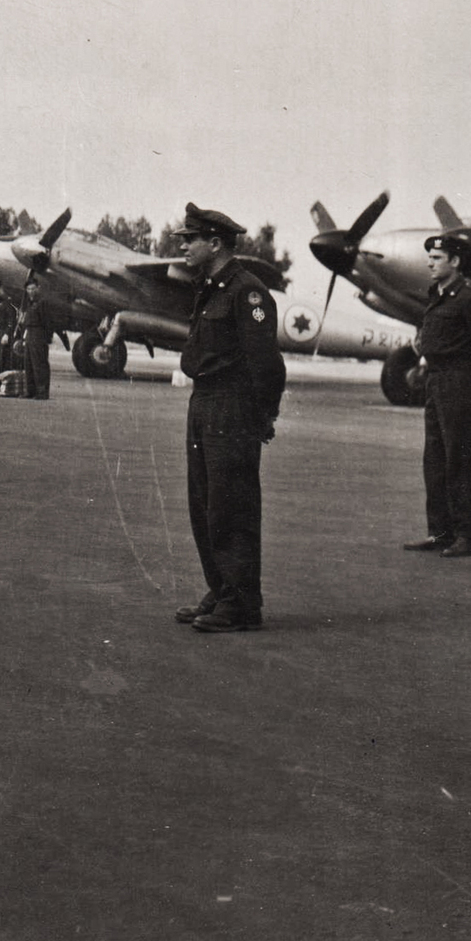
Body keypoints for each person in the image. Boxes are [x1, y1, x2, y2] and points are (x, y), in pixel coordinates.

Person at [170, 204, 285, 633]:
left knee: (231, 506)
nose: (183, 246)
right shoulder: (210, 287)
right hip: (203, 401)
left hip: (231, 406)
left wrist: (263, 415)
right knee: (203, 504)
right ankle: (221, 590)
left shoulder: (247, 292)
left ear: (215, 243)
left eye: (190, 239)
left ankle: (241, 603)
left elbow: (266, 362)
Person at [401, 230, 471, 558]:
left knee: (460, 459)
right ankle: (440, 532)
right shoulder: (437, 294)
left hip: (460, 384)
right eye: (429, 258)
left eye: (437, 258)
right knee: (435, 459)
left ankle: (466, 535)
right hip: (436, 382)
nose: (430, 263)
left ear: (455, 261)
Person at [16, 277, 56, 399]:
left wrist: (47, 338)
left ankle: (42, 392)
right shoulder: (29, 303)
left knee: (39, 364)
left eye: (33, 288)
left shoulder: (43, 302)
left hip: (39, 335)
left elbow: (48, 321)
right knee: (28, 364)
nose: (31, 291)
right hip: (30, 334)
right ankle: (31, 391)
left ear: (38, 288)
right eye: (28, 289)